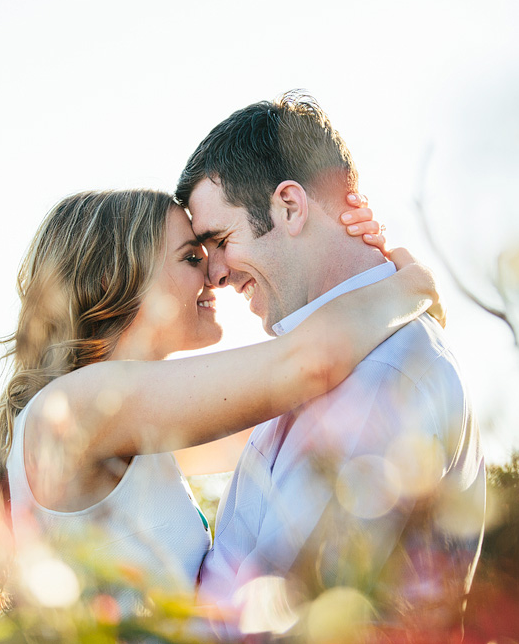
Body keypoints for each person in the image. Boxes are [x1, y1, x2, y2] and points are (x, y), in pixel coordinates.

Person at [0, 187, 440, 595]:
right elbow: (305, 365)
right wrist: (412, 285)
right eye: (191, 257)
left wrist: (341, 250)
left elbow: (306, 416)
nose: (215, 272)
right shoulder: (81, 403)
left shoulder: (123, 426)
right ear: (115, 277)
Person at [176, 91, 485, 629]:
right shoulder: (326, 362)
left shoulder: (384, 375)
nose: (216, 275)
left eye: (221, 241)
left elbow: (281, 615)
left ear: (289, 207)